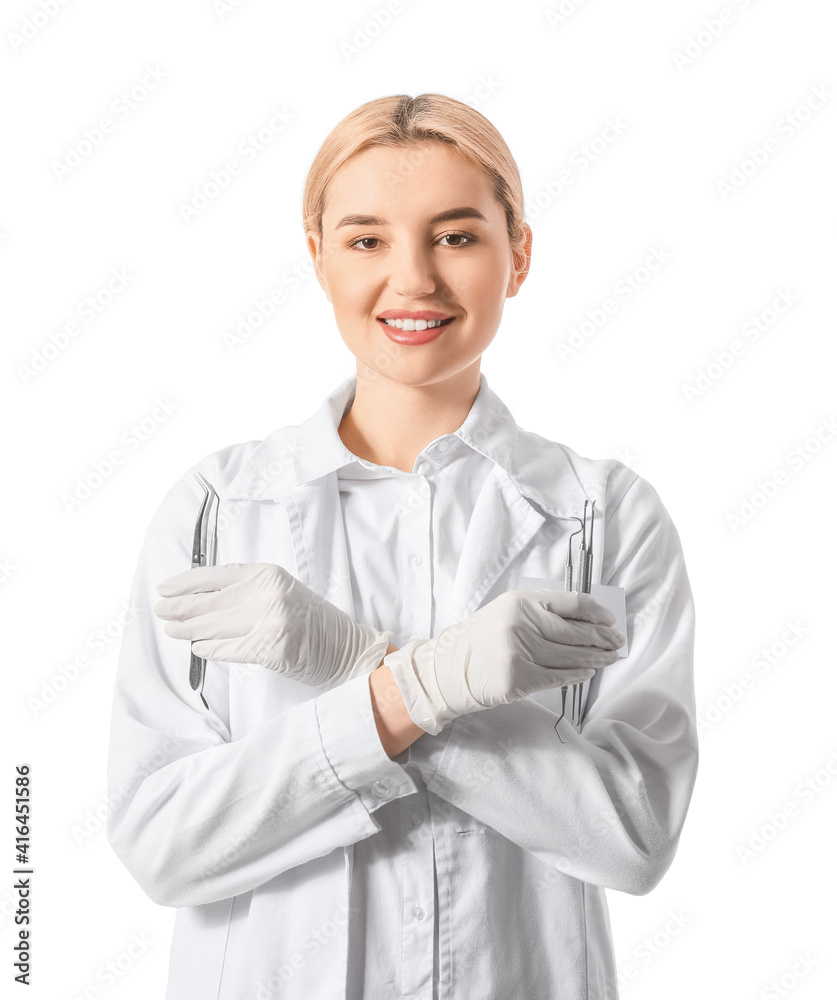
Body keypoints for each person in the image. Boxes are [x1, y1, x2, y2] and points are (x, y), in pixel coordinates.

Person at [106, 93, 698, 1000]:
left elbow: (633, 835)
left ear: (519, 255)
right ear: (317, 259)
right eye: (366, 239)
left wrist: (364, 676)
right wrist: (411, 690)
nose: (413, 279)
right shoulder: (215, 510)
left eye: (457, 237)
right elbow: (162, 848)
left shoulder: (603, 517)